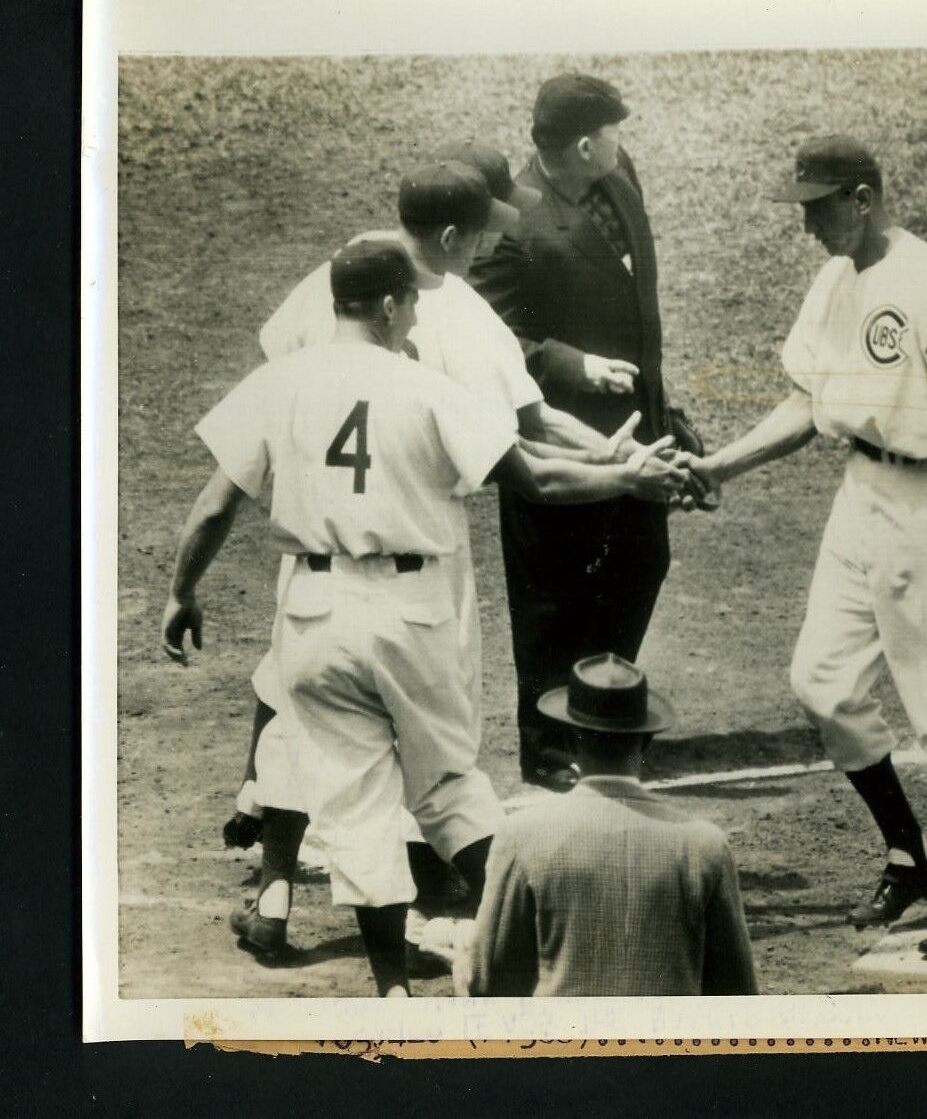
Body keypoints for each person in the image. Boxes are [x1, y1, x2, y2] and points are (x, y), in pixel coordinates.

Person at [161, 240, 688, 996]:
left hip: (313, 613)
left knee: (356, 799)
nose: (412, 315)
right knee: (445, 789)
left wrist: (181, 593)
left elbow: (215, 504)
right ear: (384, 306)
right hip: (411, 615)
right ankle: (550, 934)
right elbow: (534, 476)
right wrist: (624, 474)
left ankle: (392, 994)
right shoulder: (426, 387)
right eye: (408, 302)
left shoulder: (279, 383)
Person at [222, 154, 638, 961]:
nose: (488, 246)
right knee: (434, 745)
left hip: (314, 555)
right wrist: (627, 466)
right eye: (484, 228)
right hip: (418, 553)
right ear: (449, 233)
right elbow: (531, 428)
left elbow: (278, 388)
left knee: (297, 714)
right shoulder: (461, 313)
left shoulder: (330, 278)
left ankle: (277, 897)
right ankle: (450, 899)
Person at [689, 135, 927, 951]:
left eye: (818, 207)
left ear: (862, 199)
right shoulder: (834, 279)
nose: (806, 225)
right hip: (859, 496)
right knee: (822, 681)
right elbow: (808, 400)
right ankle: (912, 856)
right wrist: (720, 466)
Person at [471, 73, 706, 792]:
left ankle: (601, 713)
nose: (620, 141)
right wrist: (572, 364)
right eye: (612, 130)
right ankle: (549, 753)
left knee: (641, 564)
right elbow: (492, 340)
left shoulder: (617, 177)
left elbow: (638, 306)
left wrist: (668, 413)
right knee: (553, 598)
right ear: (582, 143)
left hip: (640, 432)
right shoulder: (513, 222)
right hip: (558, 439)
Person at [461, 654, 758, 997]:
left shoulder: (522, 835)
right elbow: (736, 992)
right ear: (646, 741)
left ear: (571, 740)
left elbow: (491, 982)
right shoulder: (705, 844)